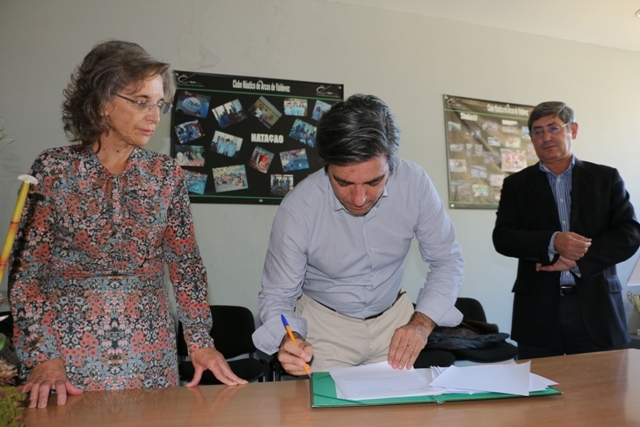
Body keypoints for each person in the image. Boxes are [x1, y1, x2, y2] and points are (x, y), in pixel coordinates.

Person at [8, 40, 246, 409]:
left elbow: (186, 266)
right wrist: (43, 355)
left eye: (159, 104)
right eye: (141, 102)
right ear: (102, 102)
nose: (154, 116)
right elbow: (26, 275)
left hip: (151, 356)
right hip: (65, 362)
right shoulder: (53, 169)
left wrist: (200, 341)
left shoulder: (166, 175)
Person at [252, 94, 464, 375]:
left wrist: (421, 324)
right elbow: (277, 295)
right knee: (327, 405)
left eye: (374, 182)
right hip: (323, 330)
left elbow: (446, 260)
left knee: (398, 404)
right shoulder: (299, 209)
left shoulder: (415, 184)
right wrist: (288, 339)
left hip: (396, 324)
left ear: (390, 163)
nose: (360, 199)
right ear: (327, 166)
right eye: (343, 182)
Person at [493, 101, 640, 359]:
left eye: (554, 128)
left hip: (598, 308)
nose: (546, 137)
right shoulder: (516, 184)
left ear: (573, 130)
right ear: (532, 138)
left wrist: (577, 260)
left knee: (599, 384)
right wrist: (553, 241)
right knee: (538, 383)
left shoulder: (605, 178)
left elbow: (629, 234)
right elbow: (503, 237)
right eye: (538, 131)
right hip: (537, 310)